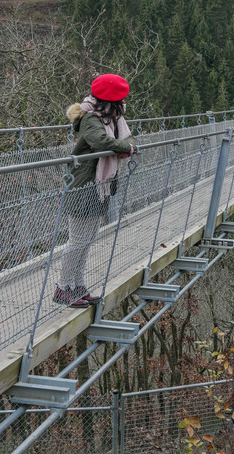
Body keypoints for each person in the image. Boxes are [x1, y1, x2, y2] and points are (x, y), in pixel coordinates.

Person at [53, 74, 135, 308]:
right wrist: (127, 147)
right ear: (113, 102)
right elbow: (102, 143)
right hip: (83, 186)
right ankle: (63, 288)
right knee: (77, 241)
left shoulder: (112, 119)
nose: (123, 105)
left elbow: (129, 138)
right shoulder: (91, 119)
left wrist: (127, 145)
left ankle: (77, 286)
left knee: (86, 241)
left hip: (99, 187)